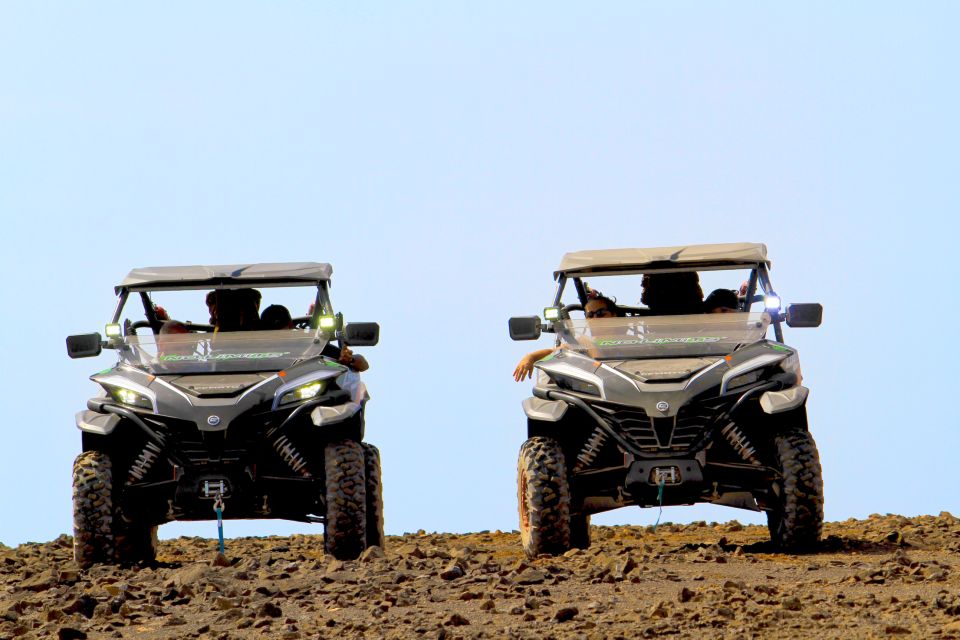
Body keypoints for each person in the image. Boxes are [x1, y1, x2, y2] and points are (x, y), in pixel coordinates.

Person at [513, 293, 622, 382]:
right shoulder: (583, 343)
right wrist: (530, 357)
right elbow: (555, 352)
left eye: (600, 313)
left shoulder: (632, 339)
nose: (595, 318)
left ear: (614, 315)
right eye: (590, 315)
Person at [260, 304, 369, 372]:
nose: (277, 336)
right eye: (272, 332)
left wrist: (350, 359)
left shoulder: (308, 345)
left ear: (290, 326)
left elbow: (363, 364)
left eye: (280, 330)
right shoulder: (255, 351)